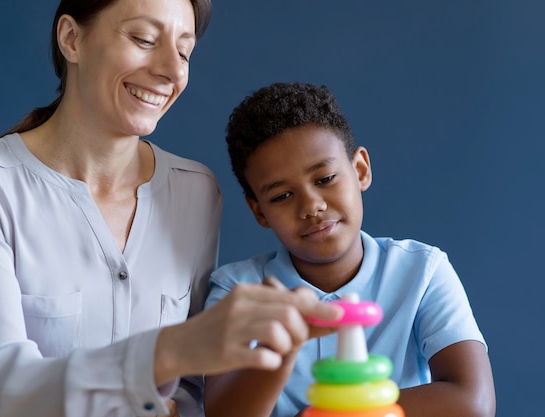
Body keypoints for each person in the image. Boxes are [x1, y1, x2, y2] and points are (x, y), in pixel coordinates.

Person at [0, 3, 342, 417]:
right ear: (72, 39)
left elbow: (193, 391)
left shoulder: (196, 191)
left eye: (184, 52)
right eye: (144, 39)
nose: (171, 70)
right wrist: (171, 349)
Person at [203, 82, 497, 417]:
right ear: (259, 211)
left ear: (360, 170)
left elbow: (472, 401)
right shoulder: (238, 292)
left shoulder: (423, 271)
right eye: (282, 196)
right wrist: (277, 349)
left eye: (325, 179)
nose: (312, 206)